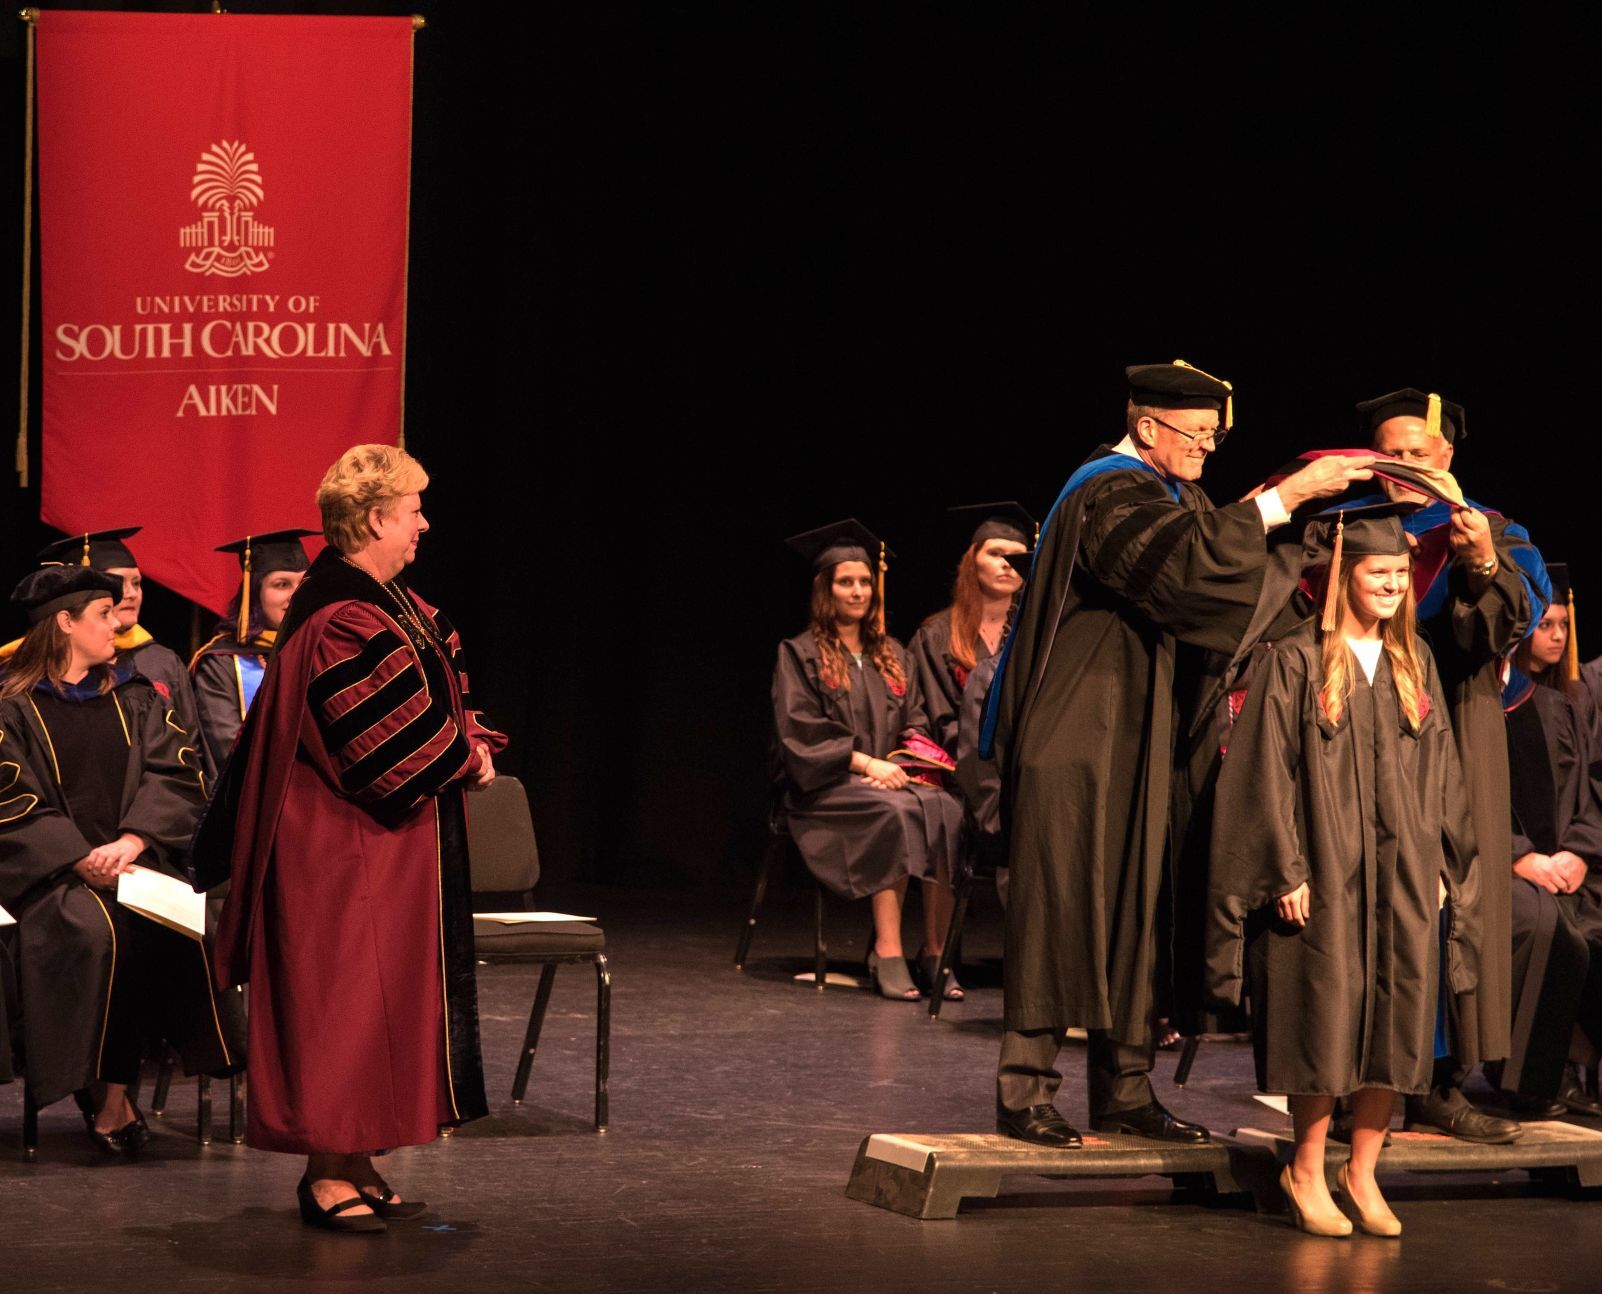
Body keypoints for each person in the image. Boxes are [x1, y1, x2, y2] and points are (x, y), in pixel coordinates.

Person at [983, 360, 1376, 1148]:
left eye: (1214, 437)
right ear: (1149, 426)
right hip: (1076, 734)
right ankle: (1024, 1092)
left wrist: (1318, 564)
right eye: (1197, 435)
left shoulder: (1179, 498)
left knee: (1139, 909)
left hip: (1144, 736)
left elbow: (1227, 589)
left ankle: (1125, 1092)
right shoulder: (1104, 491)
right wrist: (1282, 499)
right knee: (1064, 904)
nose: (1206, 449)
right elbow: (1180, 569)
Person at [196, 444, 505, 1234]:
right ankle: (324, 1173)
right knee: (341, 1003)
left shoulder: (389, 602)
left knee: (380, 1004)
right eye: (412, 511)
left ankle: (357, 1159)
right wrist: (459, 755)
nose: (423, 524)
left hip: (389, 842)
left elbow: (436, 683)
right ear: (374, 519)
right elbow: (376, 740)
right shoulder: (343, 617)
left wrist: (468, 738)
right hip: (339, 844)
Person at [1209, 510, 1479, 1237]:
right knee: (1324, 1021)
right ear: (1343, 576)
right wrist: (1282, 870)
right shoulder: (1295, 658)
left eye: (1401, 574)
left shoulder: (1412, 660)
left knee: (1395, 1022)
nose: (1392, 584)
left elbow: (1445, 770)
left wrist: (1445, 862)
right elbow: (1265, 773)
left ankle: (1362, 1172)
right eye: (1376, 572)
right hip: (1324, 874)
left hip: (1404, 873)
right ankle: (1305, 1166)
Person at [1362, 387, 1547, 1143]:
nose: (1402, 466)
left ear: (1446, 455)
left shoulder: (1495, 531)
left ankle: (1439, 1083)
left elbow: (1512, 630)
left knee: (1453, 906)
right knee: (1372, 894)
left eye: (1416, 451)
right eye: (1388, 455)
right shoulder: (1350, 528)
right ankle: (1362, 1077)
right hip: (1366, 732)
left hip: (1459, 733)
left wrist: (1479, 565)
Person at [0, 564, 233, 1152]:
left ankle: (111, 1095)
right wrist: (78, 857)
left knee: (175, 928)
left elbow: (177, 774)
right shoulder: (10, 708)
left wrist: (131, 841)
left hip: (132, 864)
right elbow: (10, 798)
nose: (117, 624)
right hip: (47, 876)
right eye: (103, 614)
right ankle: (110, 1099)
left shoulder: (134, 696)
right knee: (101, 933)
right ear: (64, 622)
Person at [772, 519, 965, 1001]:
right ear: (826, 589)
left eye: (863, 582)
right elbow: (798, 734)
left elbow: (915, 722)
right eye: (845, 582)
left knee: (948, 810)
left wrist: (913, 761)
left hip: (889, 779)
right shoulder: (799, 653)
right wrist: (865, 765)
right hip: (824, 789)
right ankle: (888, 948)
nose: (857, 591)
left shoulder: (893, 653)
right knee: (896, 815)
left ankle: (935, 951)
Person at [1496, 564, 1602, 1115]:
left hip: (1569, 864)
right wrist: (1520, 857)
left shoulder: (1574, 701)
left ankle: (1565, 1072)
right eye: (1546, 624)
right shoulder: (1491, 699)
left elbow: (1591, 789)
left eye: (1564, 624)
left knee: (1589, 927)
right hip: (1512, 865)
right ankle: (1538, 1078)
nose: (1558, 636)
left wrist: (1580, 853)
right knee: (1559, 932)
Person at [18, 529, 209, 772]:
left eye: (137, 583)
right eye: (118, 584)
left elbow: (187, 749)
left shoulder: (157, 668)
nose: (129, 593)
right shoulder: (18, 691)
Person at [907, 503, 1033, 754]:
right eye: (996, 553)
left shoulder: (1035, 630)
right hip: (960, 763)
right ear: (972, 560)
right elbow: (937, 718)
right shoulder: (935, 636)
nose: (1008, 563)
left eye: (1017, 555)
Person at [189, 529, 315, 770]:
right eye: (282, 584)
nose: (296, 595)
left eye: (303, 583)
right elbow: (228, 749)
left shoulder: (322, 649)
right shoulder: (222, 662)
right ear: (255, 592)